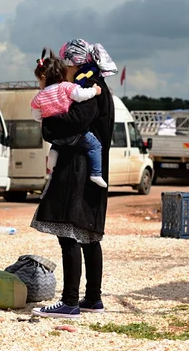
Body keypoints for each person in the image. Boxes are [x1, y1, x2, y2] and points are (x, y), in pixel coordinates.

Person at [30, 39, 117, 319]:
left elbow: (73, 122)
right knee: (88, 233)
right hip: (93, 167)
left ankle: (70, 302)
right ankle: (93, 298)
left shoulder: (87, 86)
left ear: (73, 63)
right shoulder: (95, 83)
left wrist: (48, 124)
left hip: (77, 169)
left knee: (69, 232)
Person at [30, 47, 107, 188]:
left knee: (58, 144)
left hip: (55, 137)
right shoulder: (65, 87)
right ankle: (96, 173)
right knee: (95, 145)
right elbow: (80, 95)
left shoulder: (39, 96)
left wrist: (46, 119)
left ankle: (53, 155)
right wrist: (94, 91)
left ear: (43, 78)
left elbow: (35, 114)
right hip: (74, 135)